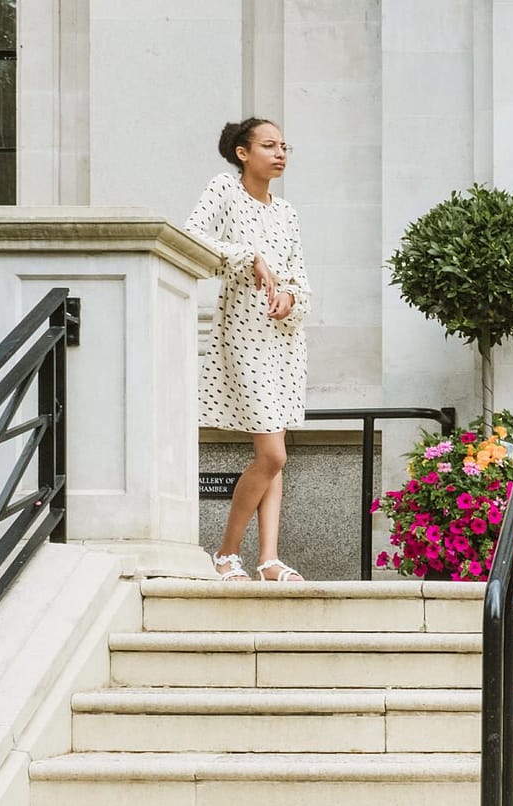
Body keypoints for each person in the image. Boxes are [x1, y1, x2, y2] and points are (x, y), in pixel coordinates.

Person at [185, 117, 310, 582]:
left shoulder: (288, 212)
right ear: (243, 152)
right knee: (272, 454)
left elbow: (301, 278)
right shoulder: (224, 190)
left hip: (284, 342)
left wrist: (290, 297)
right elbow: (191, 238)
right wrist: (246, 256)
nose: (280, 154)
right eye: (269, 145)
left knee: (274, 452)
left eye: (284, 146)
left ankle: (269, 559)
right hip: (242, 336)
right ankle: (225, 552)